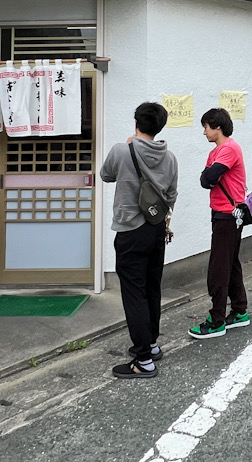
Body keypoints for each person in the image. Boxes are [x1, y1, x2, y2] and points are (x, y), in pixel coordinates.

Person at [100, 102, 178, 379]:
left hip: (130, 231)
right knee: (151, 288)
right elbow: (171, 196)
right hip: (156, 230)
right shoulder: (169, 157)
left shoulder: (123, 151)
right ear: (159, 126)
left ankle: (143, 360)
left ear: (136, 122)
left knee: (134, 293)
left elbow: (105, 175)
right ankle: (152, 344)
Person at [189, 107, 250, 340]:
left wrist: (208, 175)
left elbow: (209, 178)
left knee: (219, 268)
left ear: (218, 127)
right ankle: (239, 311)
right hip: (223, 214)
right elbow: (206, 180)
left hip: (228, 215)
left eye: (206, 127)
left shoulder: (228, 149)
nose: (204, 132)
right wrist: (208, 176)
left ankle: (217, 320)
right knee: (230, 263)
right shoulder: (217, 151)